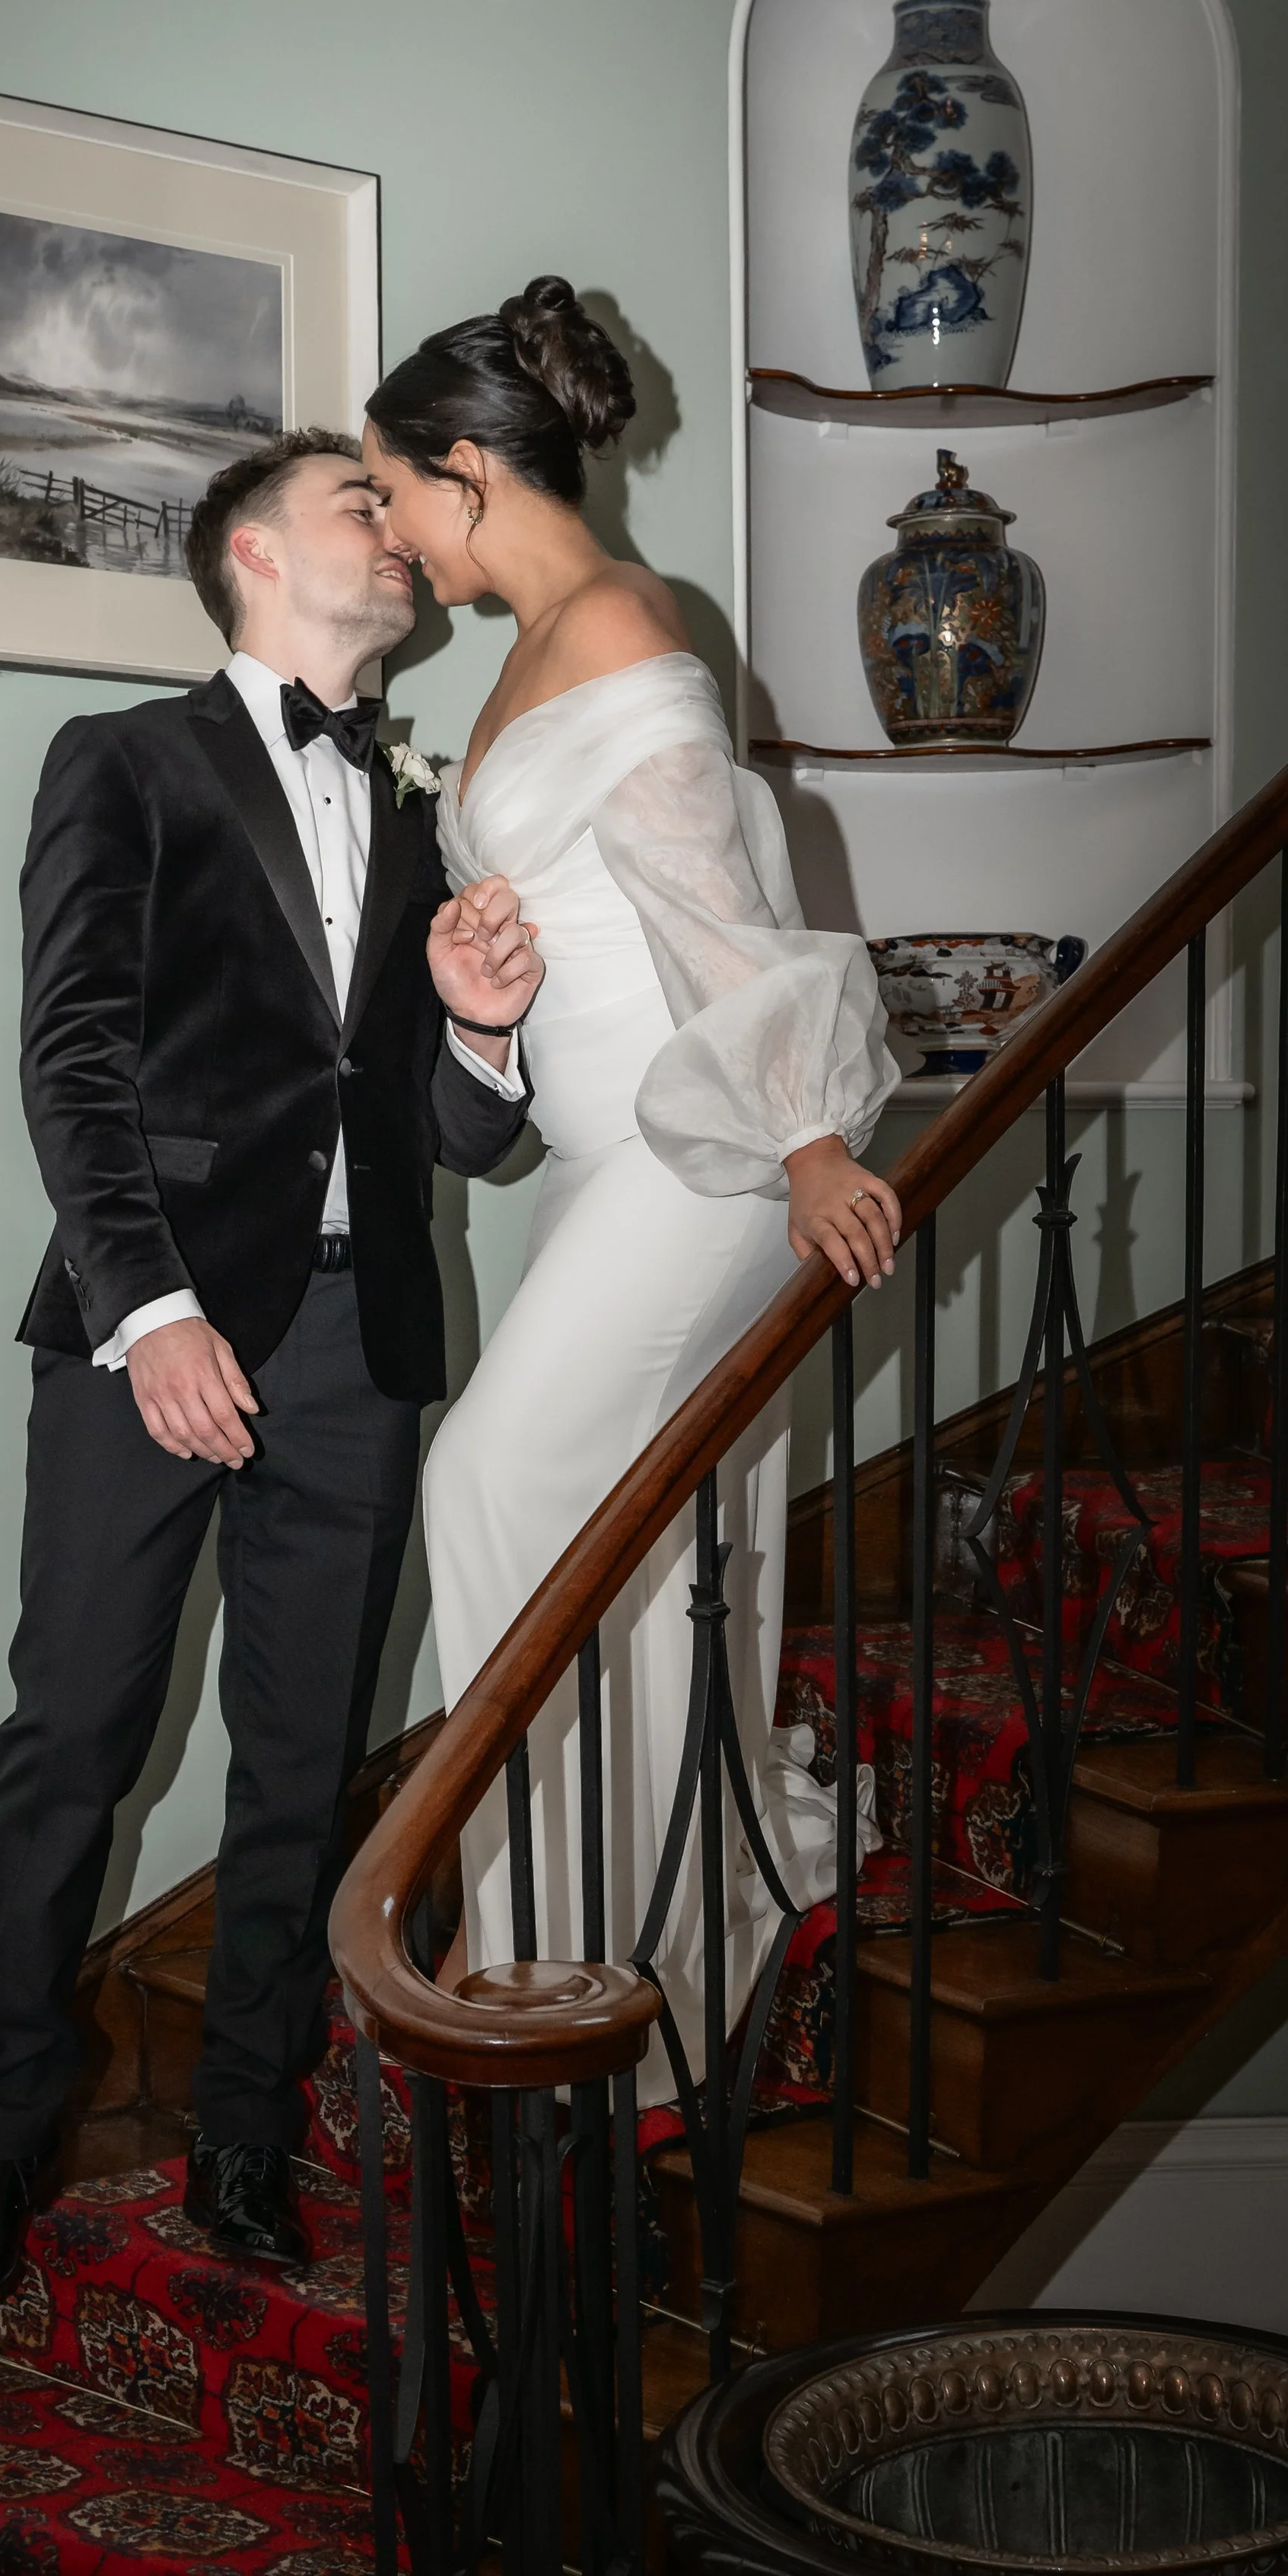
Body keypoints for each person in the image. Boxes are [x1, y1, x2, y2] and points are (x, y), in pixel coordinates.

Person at [0, 429, 536, 2309]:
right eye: (364, 503)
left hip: (362, 1342)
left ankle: (248, 2141)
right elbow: (72, 1059)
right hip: (147, 1327)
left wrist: (488, 1040)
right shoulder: (122, 761)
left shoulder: (432, 811)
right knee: (74, 1741)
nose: (400, 528)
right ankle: (1, 2138)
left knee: (299, 1770)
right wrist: (152, 1310)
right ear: (254, 552)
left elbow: (456, 1135)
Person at [361, 282, 899, 2098]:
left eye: (391, 497)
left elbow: (709, 892)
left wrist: (810, 1139)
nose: (390, 537)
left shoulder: (616, 621)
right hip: (603, 1162)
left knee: (494, 1473)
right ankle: (633, 1932)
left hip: (701, 1158)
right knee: (632, 1533)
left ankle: (562, 1955)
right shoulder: (531, 640)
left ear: (462, 473)